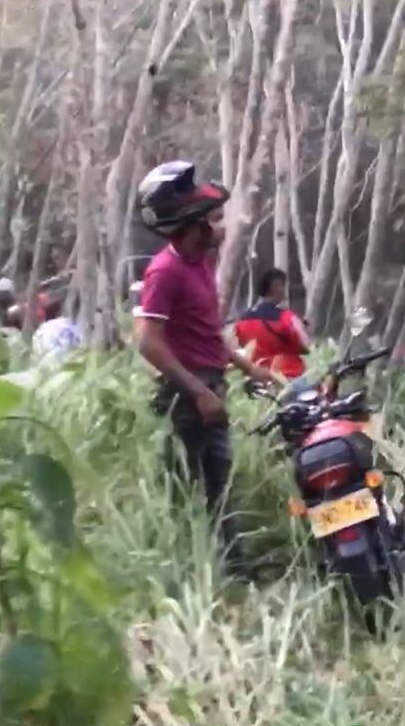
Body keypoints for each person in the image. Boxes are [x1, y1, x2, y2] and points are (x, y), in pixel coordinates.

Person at [133, 160, 281, 577]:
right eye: (214, 219)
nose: (222, 226)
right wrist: (198, 392)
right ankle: (209, 573)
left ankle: (229, 568)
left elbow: (207, 330)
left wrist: (247, 366)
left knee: (218, 480)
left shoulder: (201, 263)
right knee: (197, 487)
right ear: (192, 225)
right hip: (188, 394)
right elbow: (147, 341)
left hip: (210, 383)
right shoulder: (164, 271)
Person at [233, 268, 311, 379]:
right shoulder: (286, 317)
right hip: (287, 376)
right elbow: (305, 346)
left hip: (256, 376)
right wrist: (304, 329)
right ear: (276, 286)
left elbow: (239, 348)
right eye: (283, 285)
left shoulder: (242, 320)